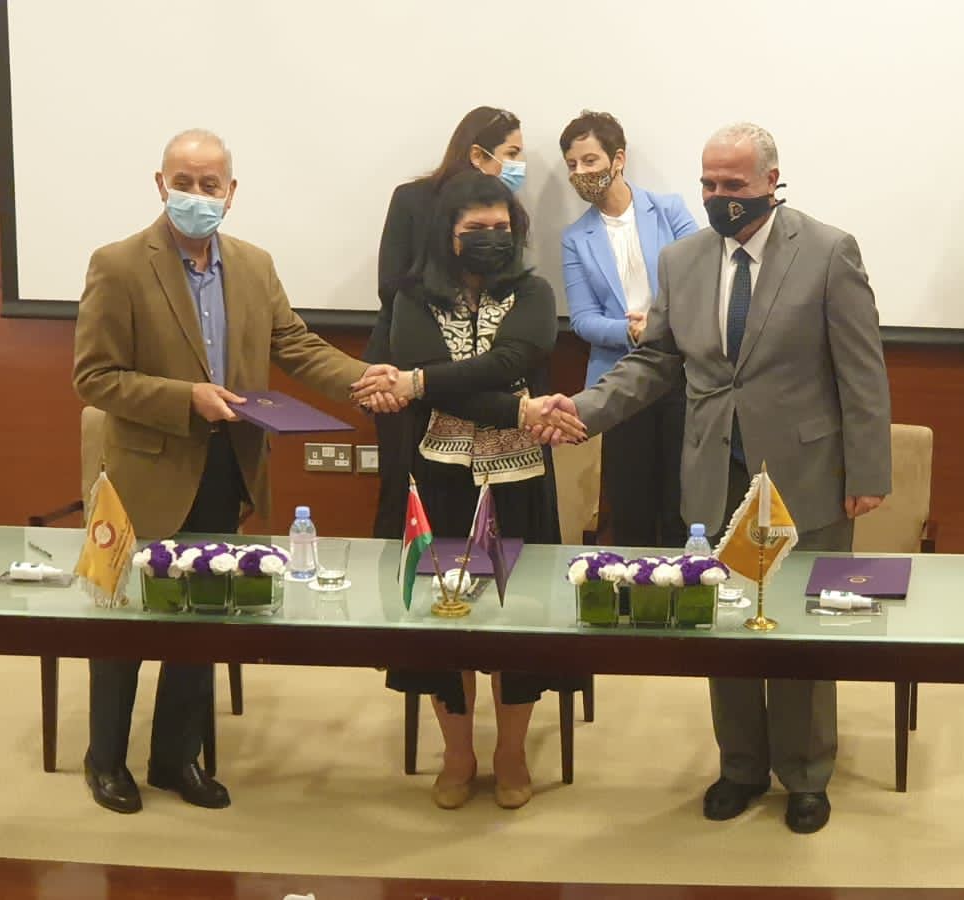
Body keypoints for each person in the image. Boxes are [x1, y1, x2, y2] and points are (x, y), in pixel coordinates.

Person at [528, 123, 892, 834]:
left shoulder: (827, 251)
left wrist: (868, 469)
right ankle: (741, 766)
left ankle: (806, 773)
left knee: (800, 629)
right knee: (724, 624)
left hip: (808, 475)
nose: (720, 196)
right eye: (709, 184)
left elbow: (862, 370)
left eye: (734, 184)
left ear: (770, 181)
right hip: (713, 473)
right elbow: (655, 362)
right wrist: (586, 410)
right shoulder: (684, 259)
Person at [73, 128, 400, 814]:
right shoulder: (119, 264)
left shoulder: (253, 265)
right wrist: (183, 397)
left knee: (203, 616)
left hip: (228, 468)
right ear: (160, 184)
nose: (196, 196)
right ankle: (105, 759)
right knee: (126, 624)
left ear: (231, 192)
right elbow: (95, 377)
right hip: (146, 475)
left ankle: (175, 758)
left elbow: (296, 345)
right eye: (183, 183)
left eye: (210, 184)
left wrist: (363, 378)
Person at [353, 172, 582, 811]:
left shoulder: (534, 293)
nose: (491, 238)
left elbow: (508, 363)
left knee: (522, 621)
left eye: (501, 228)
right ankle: (458, 752)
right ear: (447, 235)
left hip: (520, 482)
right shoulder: (409, 298)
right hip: (440, 479)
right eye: (475, 228)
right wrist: (513, 408)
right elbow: (449, 386)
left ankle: (510, 751)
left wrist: (421, 383)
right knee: (441, 617)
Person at [368, 107, 529, 539]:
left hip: (484, 371)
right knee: (406, 490)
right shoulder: (412, 198)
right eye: (511, 153)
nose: (519, 165)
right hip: (406, 361)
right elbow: (390, 283)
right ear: (477, 153)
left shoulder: (506, 211)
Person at [560, 110, 698, 547]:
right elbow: (583, 319)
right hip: (620, 381)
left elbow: (700, 279)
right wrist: (631, 332)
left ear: (618, 159)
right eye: (572, 165)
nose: (580, 173)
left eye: (590, 160)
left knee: (683, 505)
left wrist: (658, 323)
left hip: (683, 372)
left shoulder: (670, 210)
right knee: (630, 507)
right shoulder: (575, 237)